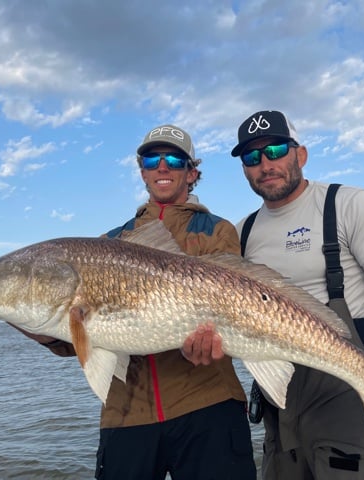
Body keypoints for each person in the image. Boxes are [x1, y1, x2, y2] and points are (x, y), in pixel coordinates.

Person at [189, 110, 364, 479]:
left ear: (301, 154)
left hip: (349, 394)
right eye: (251, 157)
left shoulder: (347, 205)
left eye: (276, 149)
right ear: (244, 169)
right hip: (280, 406)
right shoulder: (240, 234)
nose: (265, 163)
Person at [14, 124, 256, 480]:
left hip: (209, 404)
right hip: (126, 415)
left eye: (174, 159)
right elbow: (77, 341)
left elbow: (232, 311)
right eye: (151, 159)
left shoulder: (216, 231)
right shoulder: (108, 243)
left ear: (192, 173)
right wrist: (39, 326)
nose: (162, 167)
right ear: (142, 170)